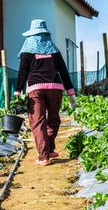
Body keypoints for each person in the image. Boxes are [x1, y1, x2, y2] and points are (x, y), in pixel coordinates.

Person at [13, 19, 77, 166]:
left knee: (38, 121)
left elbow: (23, 72)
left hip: (35, 89)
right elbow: (64, 72)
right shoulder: (54, 51)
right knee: (54, 119)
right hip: (55, 88)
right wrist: (71, 93)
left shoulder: (27, 51)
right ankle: (49, 149)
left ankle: (43, 156)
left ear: (31, 36)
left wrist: (18, 91)